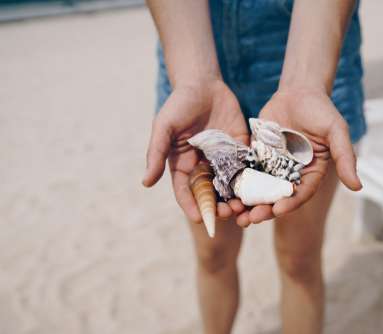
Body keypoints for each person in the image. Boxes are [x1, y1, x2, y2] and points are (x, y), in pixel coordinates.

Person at [142, 1, 365, 333]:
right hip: (191, 48)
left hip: (312, 50)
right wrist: (194, 78)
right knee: (212, 254)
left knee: (299, 259)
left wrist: (307, 82)